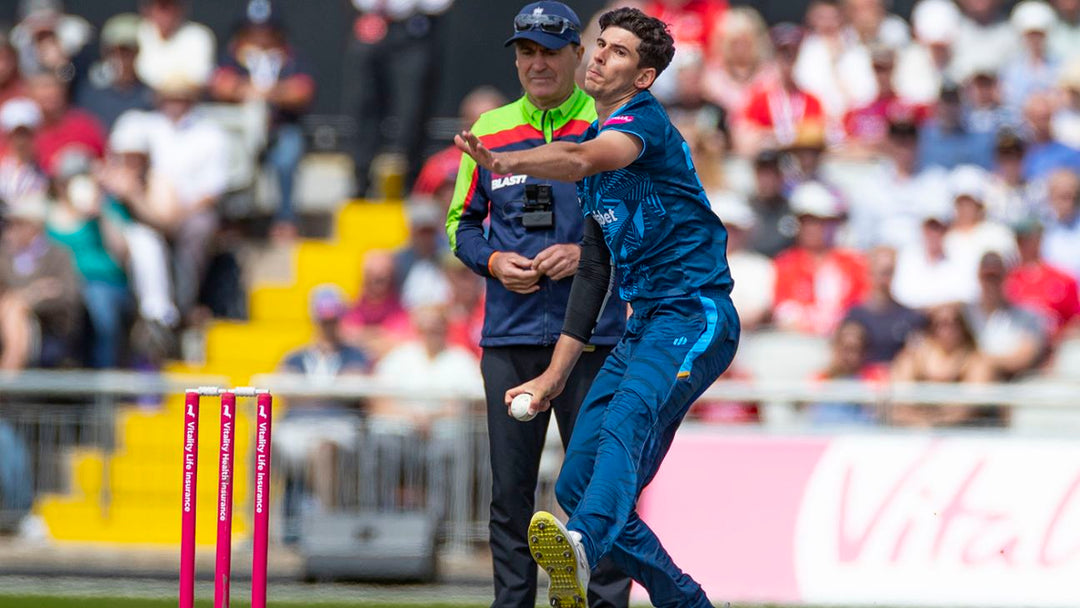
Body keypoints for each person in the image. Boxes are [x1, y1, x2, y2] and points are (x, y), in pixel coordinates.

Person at [455, 8, 738, 607]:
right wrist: (555, 375)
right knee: (580, 480)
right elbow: (594, 267)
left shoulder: (641, 124)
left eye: (619, 52)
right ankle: (685, 600)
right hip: (644, 326)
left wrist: (509, 162)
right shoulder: (592, 141)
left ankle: (581, 545)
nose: (600, 55)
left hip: (694, 315)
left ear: (643, 77)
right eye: (599, 44)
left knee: (623, 427)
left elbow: (583, 160)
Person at [445, 3, 630, 606]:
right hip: (511, 337)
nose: (537, 62)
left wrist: (584, 256)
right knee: (511, 496)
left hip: (596, 342)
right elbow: (460, 225)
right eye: (526, 51)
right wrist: (493, 262)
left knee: (601, 490)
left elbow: (645, 227)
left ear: (579, 54)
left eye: (549, 50)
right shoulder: (489, 129)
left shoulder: (611, 125)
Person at [275, 284, 371, 543]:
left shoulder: (356, 355)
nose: (328, 325)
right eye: (323, 320)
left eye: (332, 319)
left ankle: (326, 530)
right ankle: (255, 527)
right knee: (262, 446)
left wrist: (308, 393)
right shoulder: (295, 357)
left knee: (324, 450)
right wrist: (331, 391)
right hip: (297, 428)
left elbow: (354, 389)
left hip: (335, 427)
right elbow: (286, 392)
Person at [75, 13, 154, 131]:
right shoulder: (89, 95)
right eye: (112, 52)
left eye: (126, 52)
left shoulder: (150, 96)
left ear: (137, 53)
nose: (119, 58)